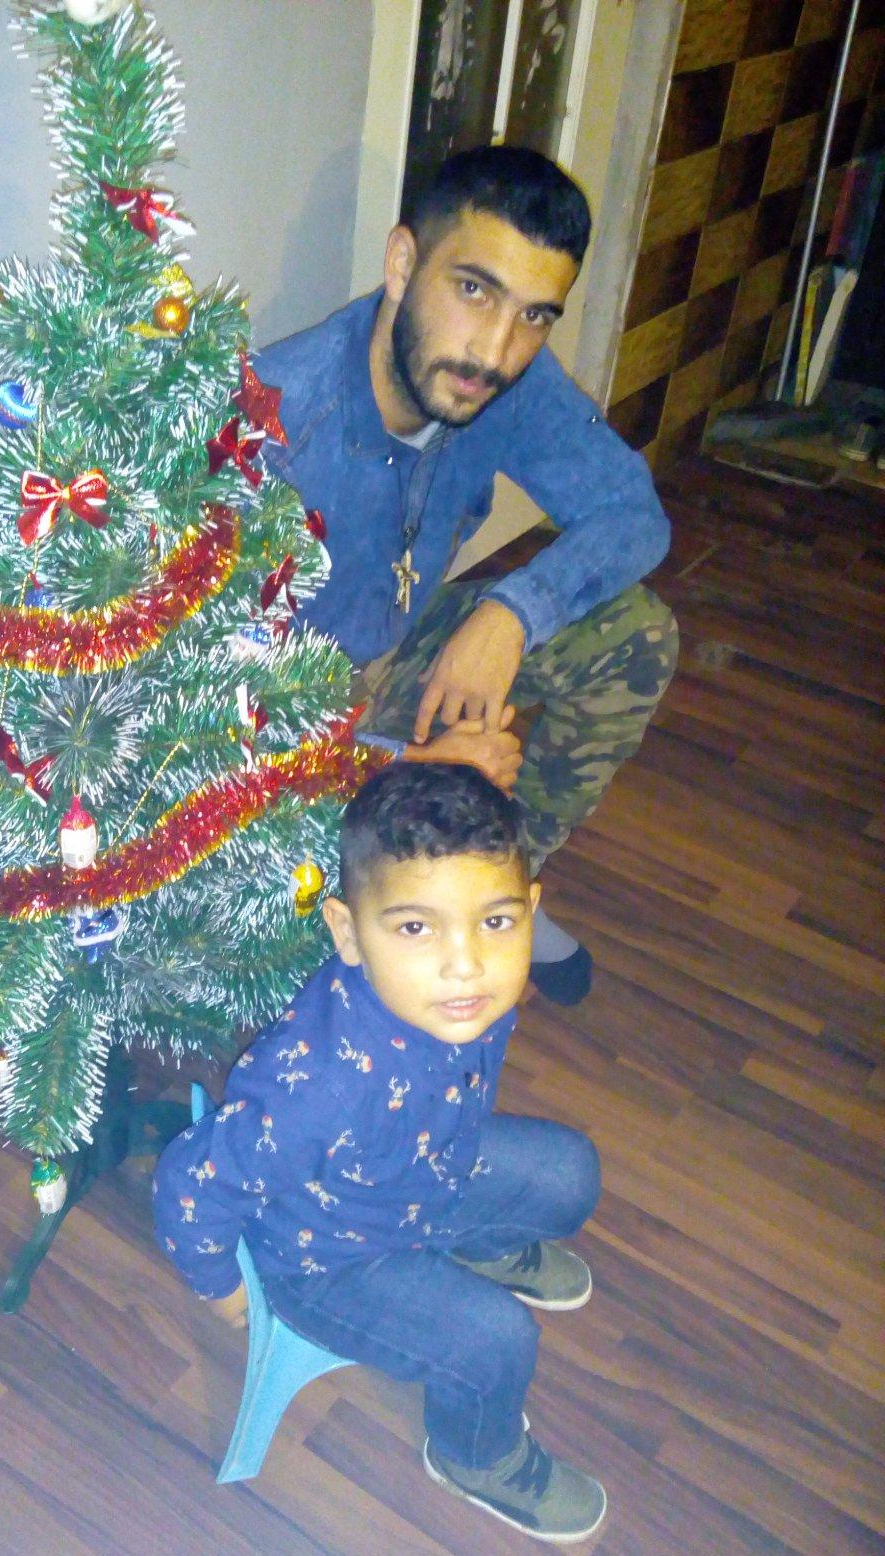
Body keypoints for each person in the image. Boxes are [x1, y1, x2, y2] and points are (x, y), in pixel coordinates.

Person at [256, 144, 678, 1005]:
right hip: (276, 724)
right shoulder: (279, 428)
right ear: (402, 263)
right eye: (474, 290)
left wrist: (510, 616)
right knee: (287, 934)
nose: (495, 350)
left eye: (535, 315)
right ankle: (400, 910)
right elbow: (204, 722)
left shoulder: (505, 382)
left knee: (635, 635)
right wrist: (406, 762)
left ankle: (487, 887)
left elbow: (634, 514)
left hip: (399, 650)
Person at [154, 761, 606, 1542]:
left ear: (530, 913)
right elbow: (189, 1184)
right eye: (416, 928)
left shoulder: (464, 997)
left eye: (496, 923)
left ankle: (481, 1244)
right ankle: (476, 1458)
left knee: (571, 1172)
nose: (466, 964)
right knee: (496, 1341)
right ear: (347, 933)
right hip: (325, 1261)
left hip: (419, 1175)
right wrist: (222, 1288)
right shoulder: (319, 1090)